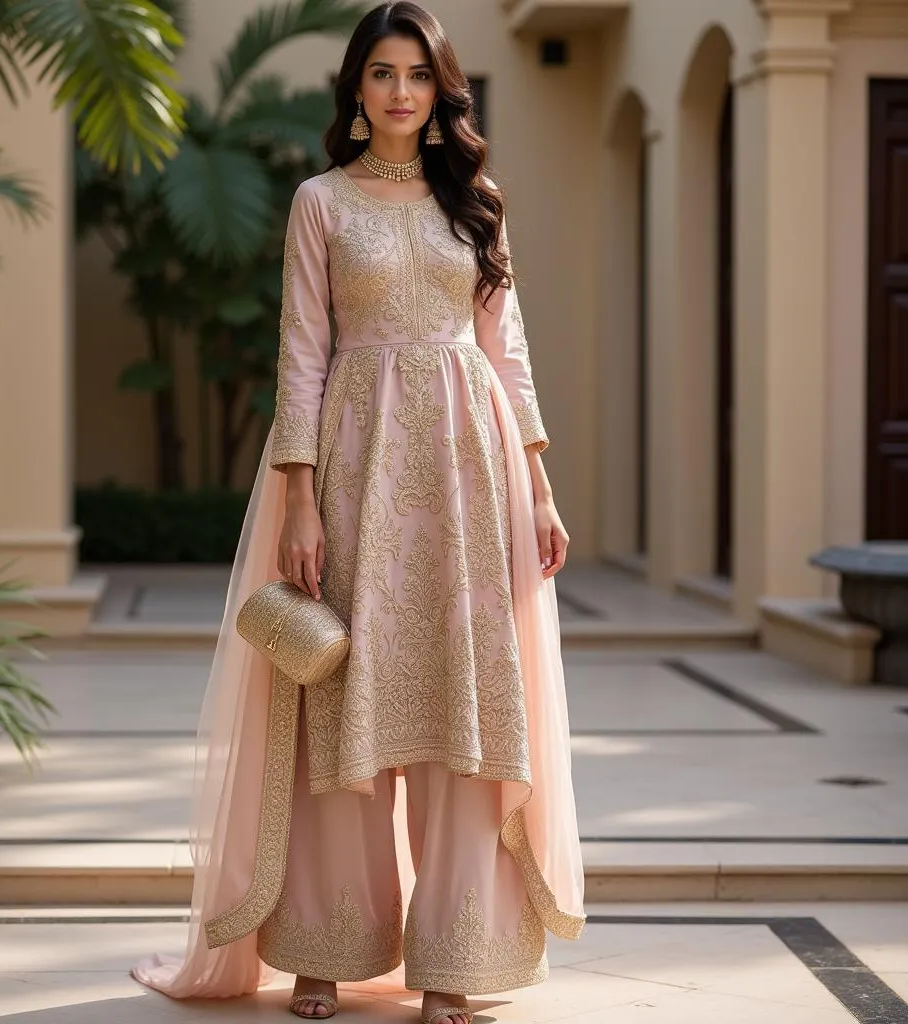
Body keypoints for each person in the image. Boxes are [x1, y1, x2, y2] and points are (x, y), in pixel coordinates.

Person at [131, 3, 585, 1022]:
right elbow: (301, 350)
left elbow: (506, 349)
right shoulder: (319, 203)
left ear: (440, 91)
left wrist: (541, 484)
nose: (399, 92)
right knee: (343, 702)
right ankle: (322, 952)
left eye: (417, 75)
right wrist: (299, 498)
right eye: (380, 73)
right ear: (356, 90)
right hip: (356, 467)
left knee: (461, 709)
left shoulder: (476, 201)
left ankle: (453, 959)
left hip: (473, 474)